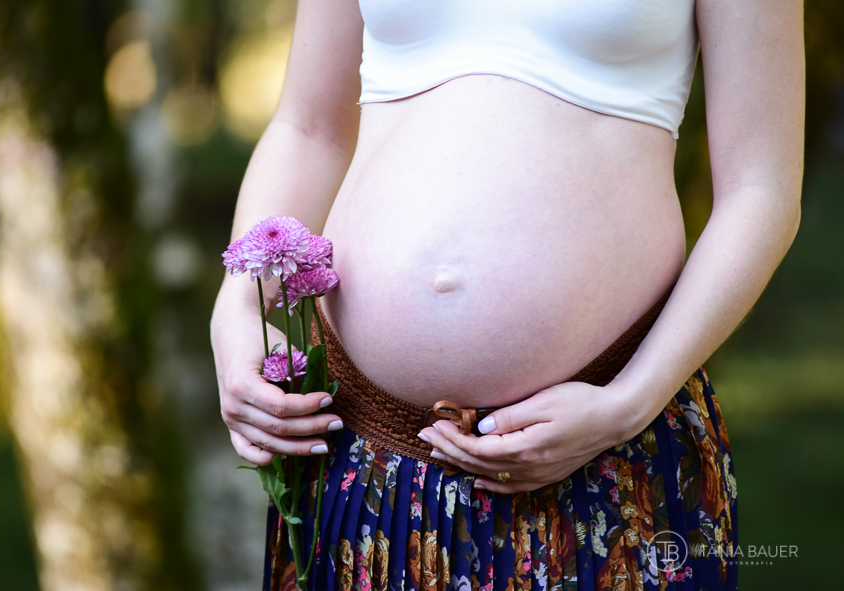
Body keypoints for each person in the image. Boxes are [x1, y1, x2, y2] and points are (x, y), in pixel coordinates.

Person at [210, 0, 804, 589]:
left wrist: (626, 406)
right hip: (359, 454)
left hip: (596, 451)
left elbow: (761, 190)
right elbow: (308, 129)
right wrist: (237, 307)